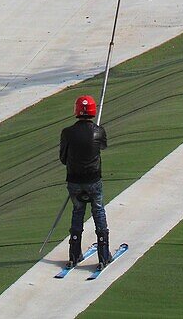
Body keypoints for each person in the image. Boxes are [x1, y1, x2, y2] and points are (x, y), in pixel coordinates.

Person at [59, 94, 113, 270]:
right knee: (98, 212)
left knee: (77, 212)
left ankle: (74, 254)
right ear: (92, 111)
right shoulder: (99, 131)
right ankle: (103, 255)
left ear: (76, 111)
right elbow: (102, 147)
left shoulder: (67, 133)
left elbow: (63, 158)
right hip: (93, 181)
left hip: (74, 181)